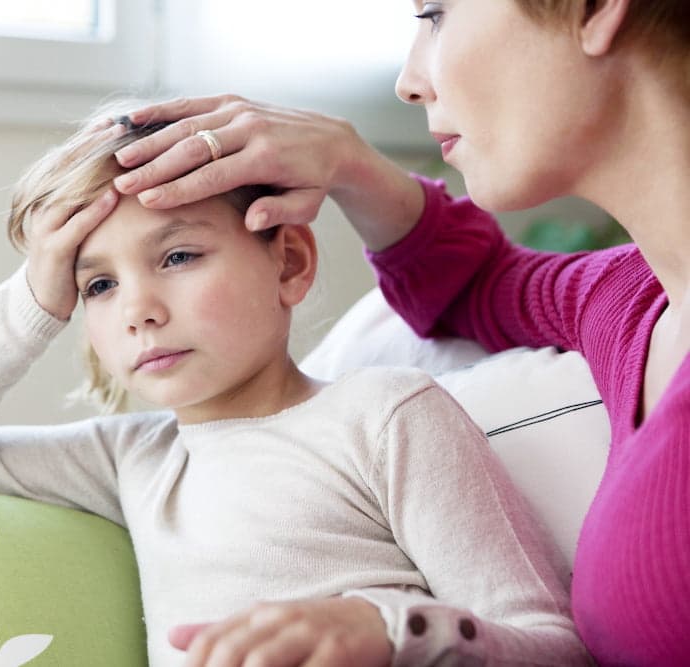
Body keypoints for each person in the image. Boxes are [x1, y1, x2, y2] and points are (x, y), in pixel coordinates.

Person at [0, 103, 592, 667]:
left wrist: (388, 626)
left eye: (177, 256)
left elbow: (553, 646)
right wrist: (35, 299)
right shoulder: (131, 458)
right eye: (99, 284)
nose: (138, 307)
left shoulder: (384, 414)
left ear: (290, 263)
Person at [104, 1, 690, 665]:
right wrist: (345, 159)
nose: (409, 80)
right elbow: (474, 281)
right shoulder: (631, 301)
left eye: (435, 14)